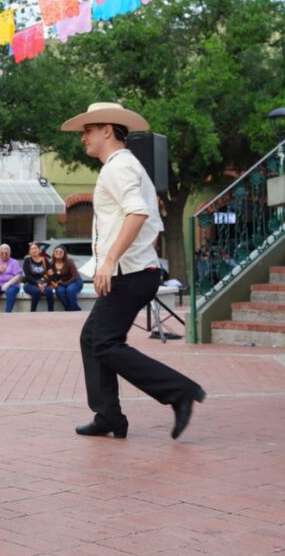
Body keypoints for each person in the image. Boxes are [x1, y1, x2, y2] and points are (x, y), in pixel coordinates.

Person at [61, 102, 205, 440]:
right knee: (93, 339)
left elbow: (137, 213)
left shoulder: (119, 166)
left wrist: (110, 261)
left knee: (105, 343)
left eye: (88, 130)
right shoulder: (123, 164)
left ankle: (179, 391)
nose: (83, 138)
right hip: (134, 271)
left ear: (107, 130)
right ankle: (108, 415)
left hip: (132, 272)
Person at [22, 243, 55, 312]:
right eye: (32, 249)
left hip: (43, 282)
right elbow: (28, 276)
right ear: (29, 251)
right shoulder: (27, 260)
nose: (34, 250)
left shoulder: (45, 260)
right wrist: (38, 284)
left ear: (39, 250)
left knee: (49, 291)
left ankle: (51, 312)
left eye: (35, 248)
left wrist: (46, 283)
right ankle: (33, 312)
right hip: (30, 283)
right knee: (36, 291)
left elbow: (51, 274)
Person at [51, 245, 84, 311]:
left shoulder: (69, 262)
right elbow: (51, 277)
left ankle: (75, 309)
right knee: (60, 291)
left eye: (61, 252)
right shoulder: (51, 264)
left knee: (70, 290)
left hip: (75, 281)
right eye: (56, 251)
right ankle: (69, 309)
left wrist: (65, 283)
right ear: (53, 253)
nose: (58, 253)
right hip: (62, 283)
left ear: (64, 253)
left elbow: (75, 276)